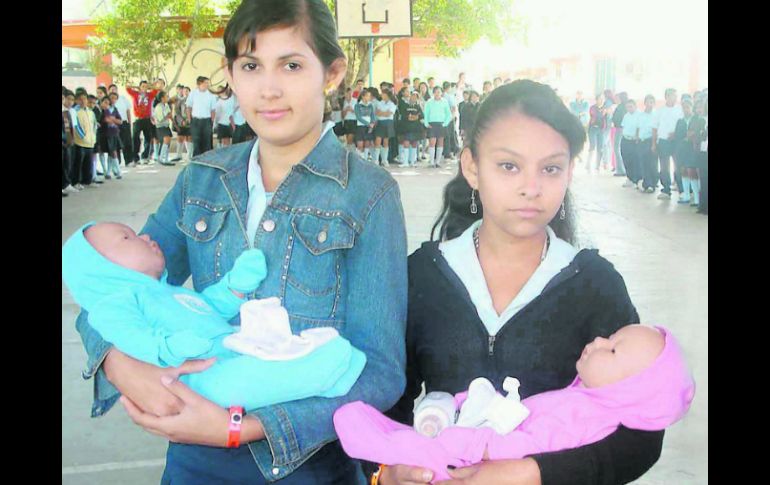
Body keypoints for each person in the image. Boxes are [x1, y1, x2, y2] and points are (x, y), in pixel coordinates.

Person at [74, 2, 408, 481]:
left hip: (311, 470)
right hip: (194, 465)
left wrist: (241, 428)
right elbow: (108, 284)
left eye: (291, 66)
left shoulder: (368, 194)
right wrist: (118, 362)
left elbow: (380, 371)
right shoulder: (202, 180)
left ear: (332, 73)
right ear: (230, 74)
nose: (268, 89)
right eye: (251, 67)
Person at [371, 79, 664, 485]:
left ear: (569, 171)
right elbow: (385, 403)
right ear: (472, 167)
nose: (531, 188)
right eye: (509, 166)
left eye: (550, 168)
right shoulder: (422, 276)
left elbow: (643, 432)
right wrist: (388, 471)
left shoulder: (595, 284)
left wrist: (531, 473)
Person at [62, 222, 365, 411]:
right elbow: (125, 332)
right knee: (237, 382)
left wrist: (234, 286)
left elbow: (206, 308)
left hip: (228, 349)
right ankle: (320, 368)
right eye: (126, 237)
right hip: (198, 376)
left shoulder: (167, 293)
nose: (144, 235)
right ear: (100, 270)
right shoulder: (117, 302)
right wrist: (165, 348)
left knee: (263, 344)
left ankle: (325, 367)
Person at [336, 325, 694, 482]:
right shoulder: (581, 398)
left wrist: (523, 470)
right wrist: (382, 476)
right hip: (472, 437)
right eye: (610, 336)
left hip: (474, 455)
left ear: (628, 391)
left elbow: (532, 444)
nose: (599, 341)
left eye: (612, 349)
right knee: (415, 447)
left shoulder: (584, 414)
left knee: (421, 449)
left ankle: (372, 437)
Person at [652, 89, 683, 200]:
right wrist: (654, 143)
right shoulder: (660, 111)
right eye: (673, 96)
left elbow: (683, 126)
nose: (675, 98)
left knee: (678, 165)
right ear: (667, 97)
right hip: (663, 141)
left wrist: (676, 134)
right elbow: (654, 128)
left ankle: (682, 190)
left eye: (676, 96)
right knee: (664, 166)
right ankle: (666, 189)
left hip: (676, 141)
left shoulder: (680, 110)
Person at [126, 80, 159, 164]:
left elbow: (156, 89)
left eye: (146, 86)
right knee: (135, 138)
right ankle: (135, 157)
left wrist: (150, 86)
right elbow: (127, 88)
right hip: (138, 119)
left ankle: (145, 157)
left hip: (147, 119)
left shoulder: (150, 95)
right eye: (143, 86)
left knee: (148, 138)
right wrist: (136, 87)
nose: (144, 88)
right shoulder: (135, 94)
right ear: (140, 87)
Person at [186, 76, 218, 157]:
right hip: (195, 121)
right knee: (196, 141)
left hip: (207, 121)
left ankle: (207, 159)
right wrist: (190, 119)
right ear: (200, 83)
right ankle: (197, 159)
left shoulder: (211, 94)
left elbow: (213, 110)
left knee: (207, 141)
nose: (207, 84)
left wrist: (211, 122)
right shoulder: (193, 93)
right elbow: (188, 107)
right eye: (205, 83)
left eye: (208, 83)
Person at [72, 92, 98, 189]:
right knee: (78, 163)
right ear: (76, 100)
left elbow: (94, 125)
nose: (83, 101)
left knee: (88, 163)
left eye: (84, 99)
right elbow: (76, 126)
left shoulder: (91, 112)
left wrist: (93, 136)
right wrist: (83, 136)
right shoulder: (75, 112)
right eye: (80, 99)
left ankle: (87, 180)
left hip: (90, 142)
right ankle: (76, 182)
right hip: (80, 142)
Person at [674, 99, 696, 204]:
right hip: (682, 149)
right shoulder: (680, 121)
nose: (686, 109)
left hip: (693, 148)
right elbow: (677, 135)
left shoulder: (696, 119)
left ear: (692, 107)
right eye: (684, 108)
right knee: (683, 170)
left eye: (688, 107)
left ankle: (695, 195)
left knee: (693, 171)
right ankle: (686, 194)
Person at [423, 86, 451, 168]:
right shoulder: (429, 102)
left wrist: (445, 123)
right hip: (432, 123)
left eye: (439, 92)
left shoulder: (445, 102)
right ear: (433, 93)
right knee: (432, 142)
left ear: (441, 93)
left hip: (441, 124)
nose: (437, 93)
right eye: (435, 92)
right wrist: (426, 123)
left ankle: (437, 162)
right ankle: (431, 162)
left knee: (440, 142)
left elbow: (448, 114)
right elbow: (426, 113)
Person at [97, 96, 123, 179]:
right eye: (105, 102)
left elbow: (120, 121)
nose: (106, 105)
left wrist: (112, 120)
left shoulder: (113, 109)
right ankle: (105, 170)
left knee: (112, 152)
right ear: (101, 102)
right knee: (101, 151)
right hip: (102, 134)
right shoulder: (98, 110)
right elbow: (104, 120)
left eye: (108, 103)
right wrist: (111, 119)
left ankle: (115, 171)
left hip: (112, 133)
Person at [109, 84, 134, 166]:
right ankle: (117, 161)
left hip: (124, 122)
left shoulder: (123, 98)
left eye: (115, 89)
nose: (113, 91)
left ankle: (129, 161)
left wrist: (129, 122)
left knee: (127, 142)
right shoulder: (108, 101)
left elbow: (128, 111)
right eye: (112, 89)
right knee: (116, 143)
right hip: (114, 124)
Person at [637, 95, 657, 193]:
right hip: (642, 141)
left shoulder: (655, 115)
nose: (650, 104)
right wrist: (637, 138)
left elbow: (655, 130)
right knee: (643, 163)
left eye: (652, 102)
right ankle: (646, 183)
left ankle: (652, 184)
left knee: (652, 163)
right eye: (648, 102)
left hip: (651, 140)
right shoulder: (640, 115)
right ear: (645, 103)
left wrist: (654, 144)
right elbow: (638, 127)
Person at [398, 91, 424, 167]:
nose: (414, 98)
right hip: (407, 127)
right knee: (406, 143)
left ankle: (412, 161)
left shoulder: (418, 107)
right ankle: (405, 162)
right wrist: (410, 117)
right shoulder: (405, 105)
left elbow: (421, 116)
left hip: (416, 128)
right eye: (412, 96)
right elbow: (403, 115)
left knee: (414, 144)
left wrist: (416, 117)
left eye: (416, 97)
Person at [620, 99, 641, 189]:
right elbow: (623, 126)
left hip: (634, 140)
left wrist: (637, 137)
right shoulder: (626, 116)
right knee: (626, 159)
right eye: (627, 107)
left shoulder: (639, 115)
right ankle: (629, 178)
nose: (629, 108)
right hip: (626, 139)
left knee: (635, 161)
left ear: (635, 106)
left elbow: (639, 127)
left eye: (631, 106)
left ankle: (637, 180)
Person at [374, 89, 397, 167]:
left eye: (383, 94)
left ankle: (384, 160)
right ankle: (376, 160)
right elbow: (377, 113)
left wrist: (382, 113)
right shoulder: (379, 103)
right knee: (378, 140)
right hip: (380, 122)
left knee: (385, 141)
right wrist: (383, 113)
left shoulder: (392, 103)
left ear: (387, 95)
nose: (381, 95)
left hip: (388, 123)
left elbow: (389, 114)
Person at [62, 90, 79, 195]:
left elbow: (68, 128)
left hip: (67, 142)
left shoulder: (66, 112)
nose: (69, 102)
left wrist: (70, 139)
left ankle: (66, 184)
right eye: (67, 99)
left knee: (67, 163)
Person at [153, 91, 175, 166]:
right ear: (162, 98)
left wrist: (175, 124)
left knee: (168, 141)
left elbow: (170, 115)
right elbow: (160, 119)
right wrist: (168, 116)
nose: (168, 98)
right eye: (166, 96)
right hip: (160, 126)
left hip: (166, 125)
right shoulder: (158, 107)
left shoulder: (166, 105)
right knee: (166, 140)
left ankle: (166, 159)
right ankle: (161, 158)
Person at [171, 85, 192, 161]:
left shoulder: (192, 101)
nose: (185, 92)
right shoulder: (179, 101)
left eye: (187, 91)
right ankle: (178, 155)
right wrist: (181, 121)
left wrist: (189, 119)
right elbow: (177, 112)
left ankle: (190, 155)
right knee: (180, 137)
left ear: (189, 92)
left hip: (190, 122)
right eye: (184, 91)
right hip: (181, 122)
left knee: (189, 138)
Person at [587, 93, 607, 173]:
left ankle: (597, 165)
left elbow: (607, 118)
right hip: (593, 129)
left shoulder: (604, 108)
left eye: (603, 99)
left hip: (601, 130)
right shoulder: (593, 108)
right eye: (600, 99)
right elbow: (595, 115)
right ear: (596, 100)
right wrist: (602, 113)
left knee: (600, 148)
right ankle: (588, 164)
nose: (601, 100)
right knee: (592, 146)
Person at [354, 89, 377, 161]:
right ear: (363, 96)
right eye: (367, 96)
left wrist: (372, 124)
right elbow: (358, 117)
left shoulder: (370, 105)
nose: (368, 97)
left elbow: (373, 116)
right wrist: (368, 124)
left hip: (369, 127)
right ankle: (359, 159)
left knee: (367, 144)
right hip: (360, 126)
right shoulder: (357, 105)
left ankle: (365, 159)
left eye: (369, 96)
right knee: (360, 145)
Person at [694, 98, 707, 215]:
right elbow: (698, 136)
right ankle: (703, 205)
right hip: (703, 152)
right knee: (703, 179)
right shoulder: (701, 120)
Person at [611, 92, 628, 177]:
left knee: (616, 148)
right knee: (623, 149)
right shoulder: (628, 107)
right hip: (627, 130)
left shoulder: (620, 107)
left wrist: (615, 123)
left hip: (619, 129)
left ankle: (620, 169)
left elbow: (615, 118)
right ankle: (624, 168)